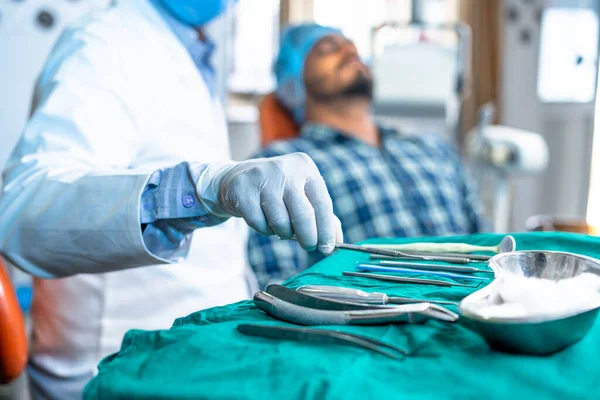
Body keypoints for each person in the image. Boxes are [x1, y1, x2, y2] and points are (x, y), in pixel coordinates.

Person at [0, 3, 341, 399]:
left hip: (200, 350)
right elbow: (23, 209)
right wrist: (197, 190)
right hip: (121, 371)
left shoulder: (188, 48)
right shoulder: (105, 41)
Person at [248, 24, 487, 288]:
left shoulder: (435, 149)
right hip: (376, 320)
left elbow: (488, 247)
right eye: (327, 48)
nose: (349, 50)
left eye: (351, 46)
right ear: (294, 81)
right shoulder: (283, 164)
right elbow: (280, 288)